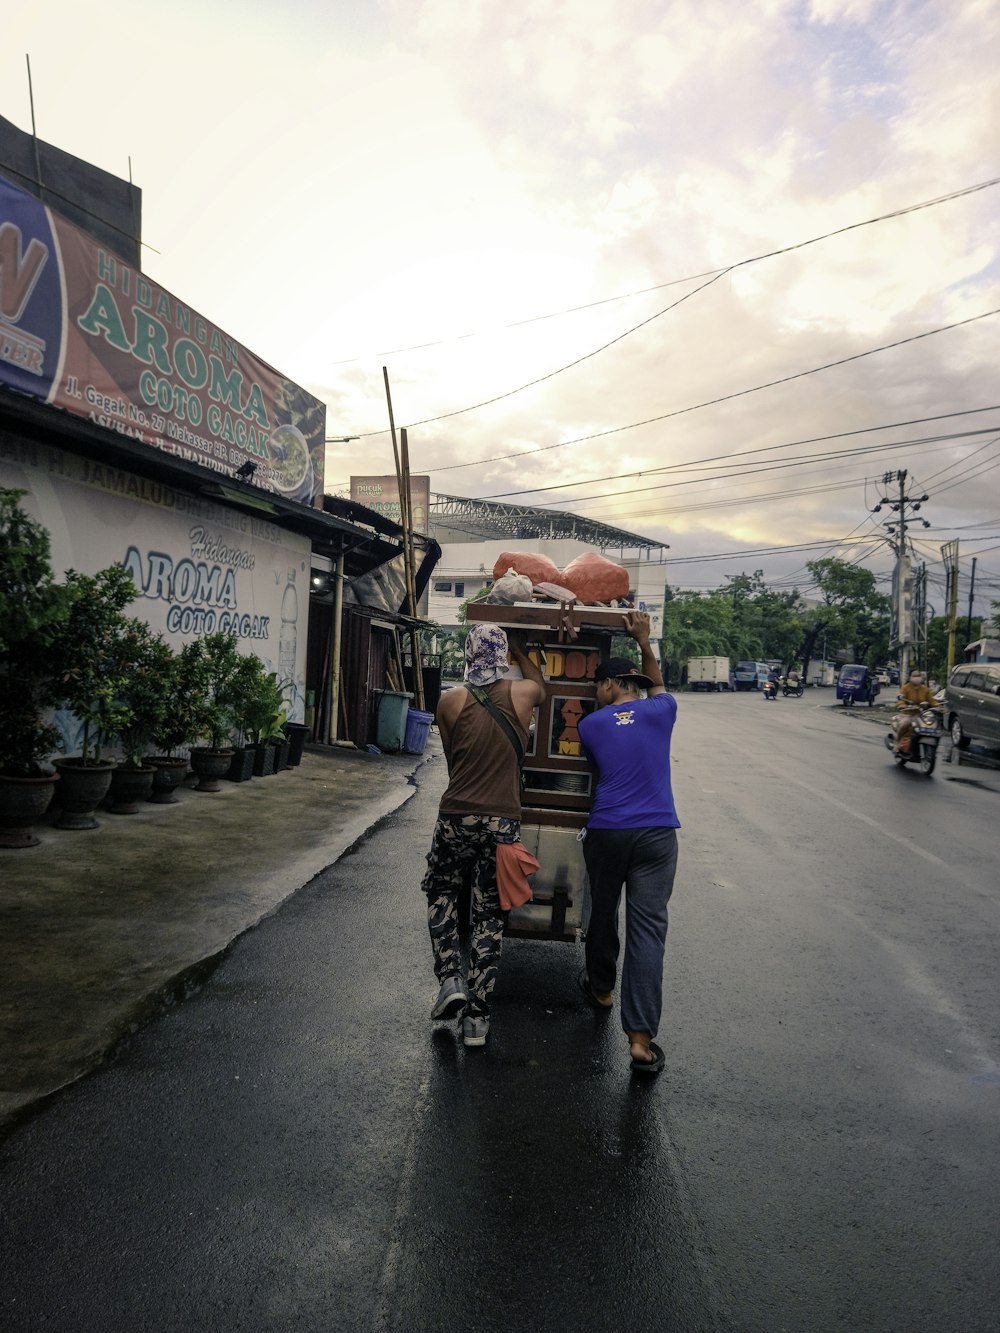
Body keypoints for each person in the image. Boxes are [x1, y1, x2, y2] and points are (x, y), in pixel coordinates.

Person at [422, 622, 547, 1047]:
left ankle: (450, 980)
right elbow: (540, 685)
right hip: (503, 822)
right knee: (489, 915)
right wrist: (522, 647)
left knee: (441, 890)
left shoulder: (448, 702)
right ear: (502, 656)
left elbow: (456, 764)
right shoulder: (522, 695)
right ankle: (477, 1019)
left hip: (456, 814)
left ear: (468, 655)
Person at [576, 610, 680, 1076]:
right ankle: (640, 1041)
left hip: (609, 829)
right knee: (648, 930)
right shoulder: (664, 711)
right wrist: (644, 639)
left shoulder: (591, 726)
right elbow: (656, 683)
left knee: (603, 910)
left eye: (598, 686)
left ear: (607, 686)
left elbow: (598, 770)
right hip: (658, 832)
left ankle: (601, 989)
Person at [894, 668, 937, 753]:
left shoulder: (925, 690)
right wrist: (902, 705)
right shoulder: (905, 688)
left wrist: (939, 707)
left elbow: (932, 701)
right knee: (904, 725)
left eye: (918, 676)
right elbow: (901, 699)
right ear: (910, 677)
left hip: (921, 715)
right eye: (914, 676)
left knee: (933, 727)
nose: (916, 677)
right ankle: (897, 744)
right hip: (907, 714)